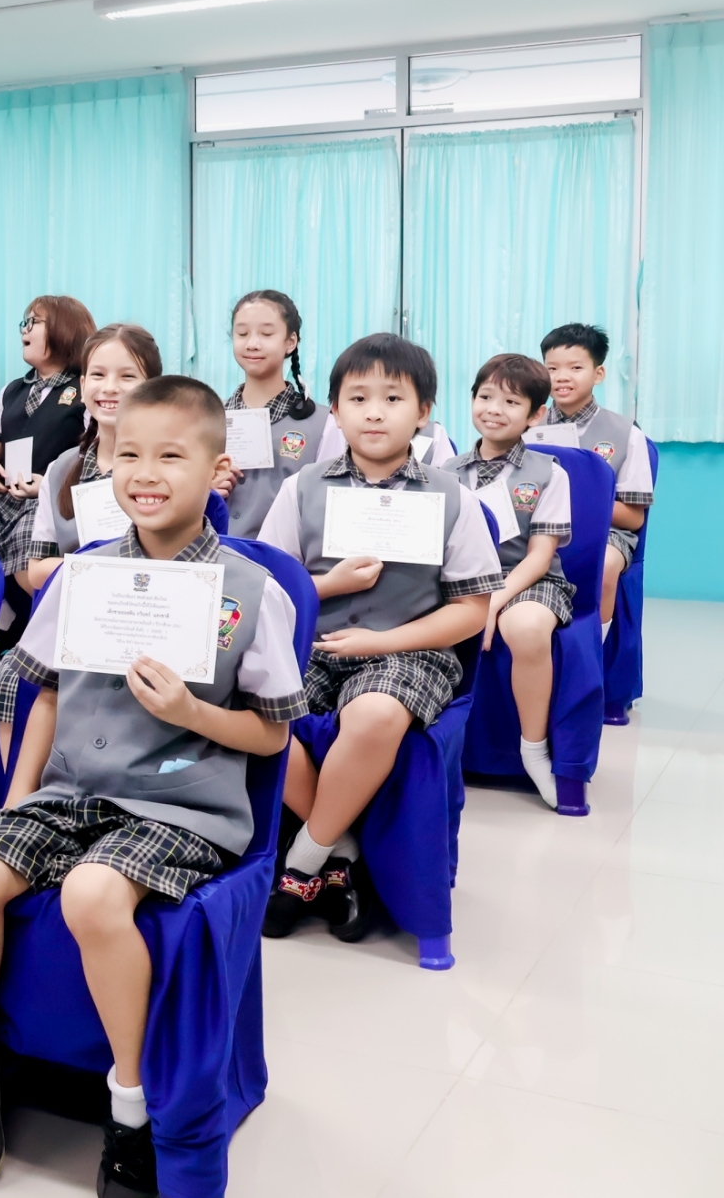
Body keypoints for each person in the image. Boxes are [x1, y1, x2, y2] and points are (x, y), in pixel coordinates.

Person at [0, 376, 307, 1196]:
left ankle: (130, 1107)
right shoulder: (83, 574)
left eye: (171, 456)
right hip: (71, 790)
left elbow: (272, 733)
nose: (145, 473)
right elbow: (45, 696)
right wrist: (13, 804)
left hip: (183, 801)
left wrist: (190, 712)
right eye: (129, 454)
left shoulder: (251, 591)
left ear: (217, 470)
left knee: (94, 893)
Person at [257, 334, 502, 940]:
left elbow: (472, 610)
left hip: (410, 651)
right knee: (249, 709)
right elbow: (270, 590)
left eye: (393, 398)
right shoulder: (302, 488)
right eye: (358, 397)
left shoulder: (452, 496)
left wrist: (380, 643)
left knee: (373, 715)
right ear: (335, 411)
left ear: (423, 412)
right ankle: (340, 846)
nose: (374, 412)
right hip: (315, 646)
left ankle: (301, 862)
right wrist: (330, 586)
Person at [0, 325, 162, 763]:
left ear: (152, 385)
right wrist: (94, 570)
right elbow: (36, 569)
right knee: (2, 683)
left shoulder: (165, 467)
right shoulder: (62, 469)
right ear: (82, 383)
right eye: (98, 375)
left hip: (145, 622)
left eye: (127, 376)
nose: (109, 388)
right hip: (76, 618)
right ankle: (20, 795)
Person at [443, 354, 575, 809]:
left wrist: (494, 603)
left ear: (535, 415)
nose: (494, 409)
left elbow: (540, 556)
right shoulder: (446, 472)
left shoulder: (549, 473)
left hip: (527, 580)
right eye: (485, 397)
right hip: (461, 579)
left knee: (526, 627)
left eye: (511, 402)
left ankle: (533, 748)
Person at [540, 322, 653, 631]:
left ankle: (591, 643)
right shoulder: (527, 427)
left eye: (575, 367)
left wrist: (581, 504)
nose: (562, 376)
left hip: (607, 533)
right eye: (552, 368)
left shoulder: (625, 432)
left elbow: (634, 518)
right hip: (539, 529)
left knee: (603, 566)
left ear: (598, 373)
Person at [0, 296, 93, 580]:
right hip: (0, 498)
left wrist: (49, 485)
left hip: (48, 501)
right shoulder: (11, 391)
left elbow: (92, 455)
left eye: (33, 322)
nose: (24, 330)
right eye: (24, 323)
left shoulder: (86, 390)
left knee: (26, 567)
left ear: (65, 329)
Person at [213, 290, 327, 539]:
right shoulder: (208, 418)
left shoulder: (324, 424)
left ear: (290, 341)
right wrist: (204, 492)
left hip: (285, 558)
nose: (252, 343)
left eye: (266, 334)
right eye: (242, 333)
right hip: (215, 555)